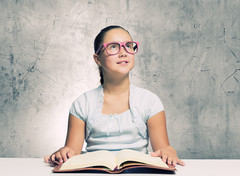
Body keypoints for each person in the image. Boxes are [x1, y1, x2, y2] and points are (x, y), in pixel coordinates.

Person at [45, 25, 185, 167]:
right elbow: (72, 153)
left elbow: (162, 149)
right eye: (113, 47)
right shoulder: (82, 103)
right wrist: (63, 153)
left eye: (128, 46)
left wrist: (167, 151)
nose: (123, 53)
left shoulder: (150, 102)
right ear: (97, 59)